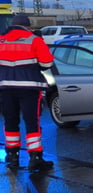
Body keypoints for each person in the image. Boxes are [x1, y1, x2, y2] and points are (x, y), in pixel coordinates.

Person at [0, 14, 54, 172]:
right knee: (32, 122)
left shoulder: (1, 40)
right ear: (28, 26)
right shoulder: (34, 40)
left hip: (5, 88)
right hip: (30, 88)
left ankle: (13, 157)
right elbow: (47, 63)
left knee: (10, 121)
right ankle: (35, 158)